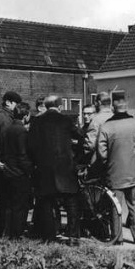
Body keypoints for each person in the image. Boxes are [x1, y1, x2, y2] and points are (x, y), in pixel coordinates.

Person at [28, 95, 84, 245]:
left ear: (45, 106)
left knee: (47, 203)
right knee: (72, 203)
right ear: (59, 107)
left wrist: (37, 162)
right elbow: (81, 138)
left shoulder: (37, 122)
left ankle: (49, 237)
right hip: (66, 168)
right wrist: (76, 158)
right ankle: (73, 237)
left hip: (45, 169)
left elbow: (31, 146)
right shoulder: (66, 121)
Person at [97, 99, 135, 245]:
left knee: (116, 207)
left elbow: (102, 153)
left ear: (113, 109)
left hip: (115, 173)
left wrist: (106, 165)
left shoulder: (106, 127)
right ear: (126, 108)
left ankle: (118, 238)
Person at [0, 91, 22, 237]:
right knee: (8, 199)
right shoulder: (5, 119)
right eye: (16, 104)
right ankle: (4, 232)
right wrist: (1, 161)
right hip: (6, 164)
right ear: (9, 103)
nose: (17, 107)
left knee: (3, 199)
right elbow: (4, 142)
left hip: (1, 162)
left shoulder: (1, 117)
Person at [2, 102, 33, 239]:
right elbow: (22, 154)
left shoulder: (7, 129)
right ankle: (17, 235)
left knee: (10, 205)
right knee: (21, 206)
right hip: (19, 173)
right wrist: (30, 169)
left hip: (8, 172)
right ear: (26, 115)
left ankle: (8, 233)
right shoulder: (21, 131)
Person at [83, 92, 114, 161]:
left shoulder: (96, 120)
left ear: (99, 102)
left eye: (95, 103)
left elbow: (90, 145)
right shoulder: (115, 117)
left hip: (99, 161)